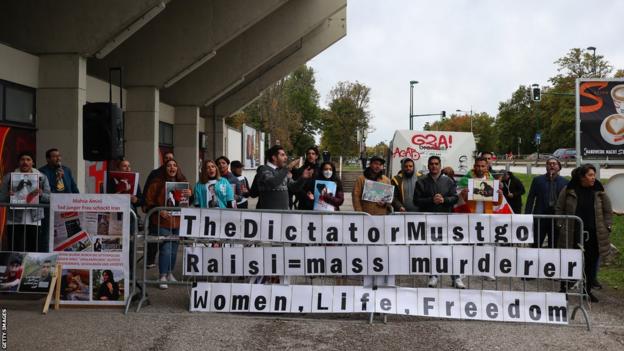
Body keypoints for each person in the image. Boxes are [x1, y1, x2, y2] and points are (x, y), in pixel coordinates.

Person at [556, 164, 612, 303]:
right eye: (590, 175)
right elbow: (559, 208)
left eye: (594, 175)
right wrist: (560, 223)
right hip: (572, 233)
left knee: (591, 263)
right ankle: (563, 289)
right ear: (582, 177)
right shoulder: (569, 189)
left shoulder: (599, 190)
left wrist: (607, 225)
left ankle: (586, 290)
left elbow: (607, 210)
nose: (593, 178)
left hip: (593, 233)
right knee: (568, 261)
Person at [415, 156, 462, 289]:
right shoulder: (421, 182)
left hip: (446, 220)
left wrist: (444, 200)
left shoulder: (448, 181)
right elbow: (416, 201)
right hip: (429, 221)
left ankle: (456, 277)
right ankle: (433, 275)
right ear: (428, 166)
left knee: (450, 249)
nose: (434, 166)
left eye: (436, 164)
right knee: (433, 250)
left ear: (440, 165)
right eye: (431, 164)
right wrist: (431, 200)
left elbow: (455, 198)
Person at [144, 159, 192, 289]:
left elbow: (189, 202)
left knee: (174, 249)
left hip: (178, 221)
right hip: (162, 222)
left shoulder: (182, 183)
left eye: (175, 165)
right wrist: (159, 211)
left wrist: (190, 194)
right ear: (164, 168)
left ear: (178, 168)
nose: (172, 167)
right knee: (166, 247)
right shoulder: (156, 183)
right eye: (169, 165)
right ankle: (162, 275)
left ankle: (170, 273)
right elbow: (148, 202)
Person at [458, 157, 503, 281]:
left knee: (487, 245)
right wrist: (464, 193)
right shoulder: (466, 180)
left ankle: (486, 270)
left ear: (487, 167)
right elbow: (460, 201)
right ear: (474, 166)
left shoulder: (491, 180)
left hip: (486, 217)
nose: (480, 168)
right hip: (470, 216)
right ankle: (463, 270)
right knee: (467, 244)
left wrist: (499, 195)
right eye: (478, 166)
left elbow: (495, 203)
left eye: (483, 166)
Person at [0, 152, 51, 252]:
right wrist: (8, 196)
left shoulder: (42, 177)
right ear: (18, 162)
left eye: (28, 160)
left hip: (35, 219)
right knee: (14, 248)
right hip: (14, 219)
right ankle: (14, 267)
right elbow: (1, 198)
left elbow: (50, 198)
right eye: (22, 160)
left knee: (33, 249)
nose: (25, 162)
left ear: (33, 162)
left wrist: (41, 194)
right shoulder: (9, 177)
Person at [525, 157, 568, 249]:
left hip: (556, 218)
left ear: (559, 167)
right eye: (549, 164)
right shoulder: (538, 180)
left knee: (554, 244)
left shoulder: (565, 182)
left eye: (554, 164)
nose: (552, 166)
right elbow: (530, 198)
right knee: (536, 243)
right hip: (540, 217)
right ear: (546, 167)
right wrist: (527, 216)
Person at [143, 151, 176, 268]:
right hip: (158, 215)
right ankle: (151, 260)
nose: (169, 161)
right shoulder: (155, 174)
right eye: (166, 159)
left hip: (174, 219)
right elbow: (147, 193)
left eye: (171, 159)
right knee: (158, 241)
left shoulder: (178, 176)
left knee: (172, 247)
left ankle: (169, 271)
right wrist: (150, 208)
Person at [254, 145, 312, 210]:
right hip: (270, 215)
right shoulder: (264, 170)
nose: (286, 157)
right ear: (274, 158)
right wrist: (287, 168)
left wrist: (303, 178)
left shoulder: (282, 171)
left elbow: (294, 188)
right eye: (282, 155)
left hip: (283, 215)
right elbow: (272, 183)